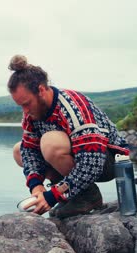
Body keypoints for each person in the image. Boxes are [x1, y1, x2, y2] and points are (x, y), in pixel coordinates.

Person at [9, 55, 128, 218]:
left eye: (27, 103)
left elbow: (91, 164)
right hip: (80, 159)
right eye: (20, 105)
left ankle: (87, 196)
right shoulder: (32, 113)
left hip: (109, 160)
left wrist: (52, 196)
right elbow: (29, 150)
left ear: (41, 90)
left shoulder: (73, 108)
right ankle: (71, 195)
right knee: (19, 149)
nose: (25, 111)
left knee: (49, 143)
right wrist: (36, 187)